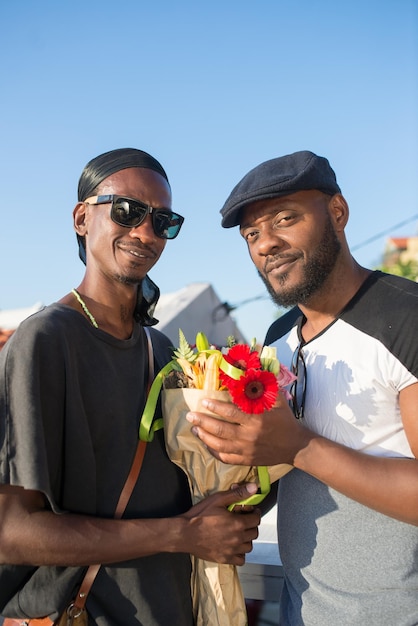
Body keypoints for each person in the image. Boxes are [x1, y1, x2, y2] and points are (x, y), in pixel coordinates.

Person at [0, 148, 261, 625]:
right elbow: (12, 532)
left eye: (163, 221)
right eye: (127, 211)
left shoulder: (166, 353)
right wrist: (181, 536)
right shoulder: (44, 340)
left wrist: (245, 492)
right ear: (82, 218)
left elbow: (192, 491)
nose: (145, 232)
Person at [186, 150, 418, 625]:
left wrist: (300, 445)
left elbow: (301, 449)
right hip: (301, 609)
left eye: (284, 219)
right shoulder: (277, 340)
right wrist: (238, 497)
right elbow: (288, 466)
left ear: (338, 212)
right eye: (251, 234)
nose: (266, 243)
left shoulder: (406, 317)